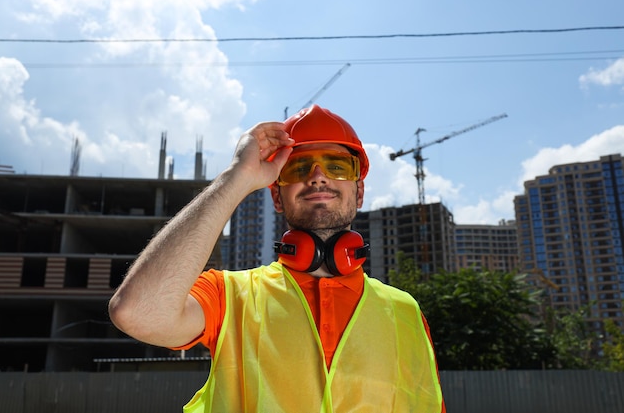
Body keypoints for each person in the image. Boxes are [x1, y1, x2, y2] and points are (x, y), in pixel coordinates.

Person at [108, 104, 445, 412]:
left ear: (359, 192)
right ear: (277, 198)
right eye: (298, 167)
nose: (317, 175)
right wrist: (237, 177)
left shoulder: (406, 312)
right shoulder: (231, 297)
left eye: (337, 165)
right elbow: (137, 313)